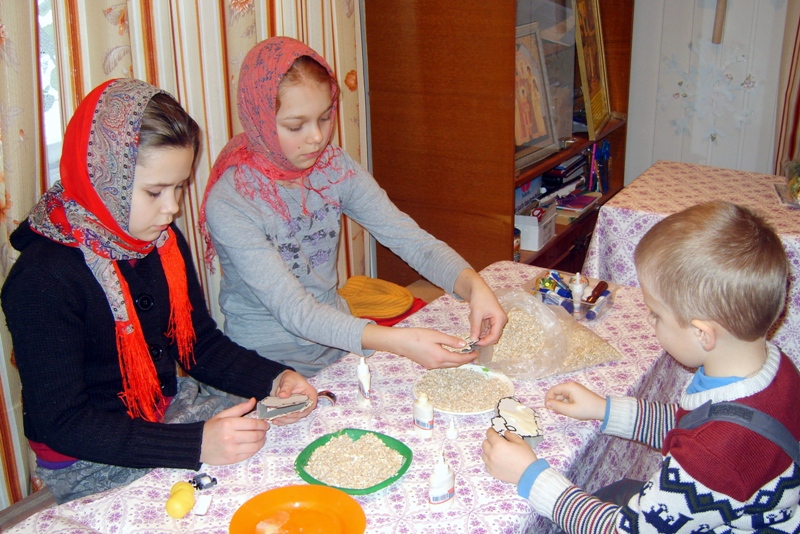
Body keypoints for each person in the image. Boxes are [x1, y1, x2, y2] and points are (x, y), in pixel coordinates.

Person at [1, 78, 317, 504]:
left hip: (164, 415)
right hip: (87, 459)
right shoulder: (42, 279)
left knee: (281, 463)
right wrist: (194, 444)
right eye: (155, 191)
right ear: (103, 178)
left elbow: (198, 345)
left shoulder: (159, 241)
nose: (172, 208)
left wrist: (274, 378)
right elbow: (63, 423)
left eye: (179, 187)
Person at [481, 201, 800, 532]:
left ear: (702, 334)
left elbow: (625, 529)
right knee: (613, 491)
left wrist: (530, 476)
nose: (650, 321)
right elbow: (692, 425)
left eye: (656, 315)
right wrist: (606, 409)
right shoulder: (773, 368)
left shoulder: (712, 457)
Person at [199, 37, 507, 377]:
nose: (317, 137)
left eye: (324, 117)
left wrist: (474, 287)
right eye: (295, 126)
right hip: (266, 364)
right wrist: (399, 341)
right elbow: (295, 312)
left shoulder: (333, 167)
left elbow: (410, 239)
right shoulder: (231, 201)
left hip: (337, 343)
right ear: (258, 118)